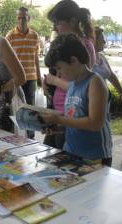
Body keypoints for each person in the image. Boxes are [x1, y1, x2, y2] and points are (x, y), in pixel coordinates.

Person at [41, 33, 112, 166]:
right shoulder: (72, 85)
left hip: (94, 156)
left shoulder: (94, 82)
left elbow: (95, 123)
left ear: (73, 61)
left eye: (60, 68)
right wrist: (57, 127)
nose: (59, 74)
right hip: (72, 151)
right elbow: (74, 120)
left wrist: (58, 119)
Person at [43, 0, 96, 149]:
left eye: (57, 22)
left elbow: (82, 87)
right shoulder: (62, 44)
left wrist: (53, 81)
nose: (54, 27)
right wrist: (47, 84)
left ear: (72, 21)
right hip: (59, 111)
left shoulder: (84, 46)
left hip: (71, 115)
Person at [6, 7, 42, 139]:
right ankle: (18, 136)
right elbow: (6, 60)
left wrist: (39, 77)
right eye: (19, 17)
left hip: (31, 77)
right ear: (16, 18)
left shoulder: (35, 36)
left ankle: (30, 137)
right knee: (18, 108)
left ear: (29, 18)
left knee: (31, 108)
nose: (21, 20)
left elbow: (36, 58)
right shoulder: (10, 36)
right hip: (16, 78)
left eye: (24, 17)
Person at [93, 27, 122, 106]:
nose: (104, 41)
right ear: (93, 40)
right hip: (92, 102)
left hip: (105, 100)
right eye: (101, 39)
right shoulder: (85, 60)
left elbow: (111, 76)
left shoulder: (101, 56)